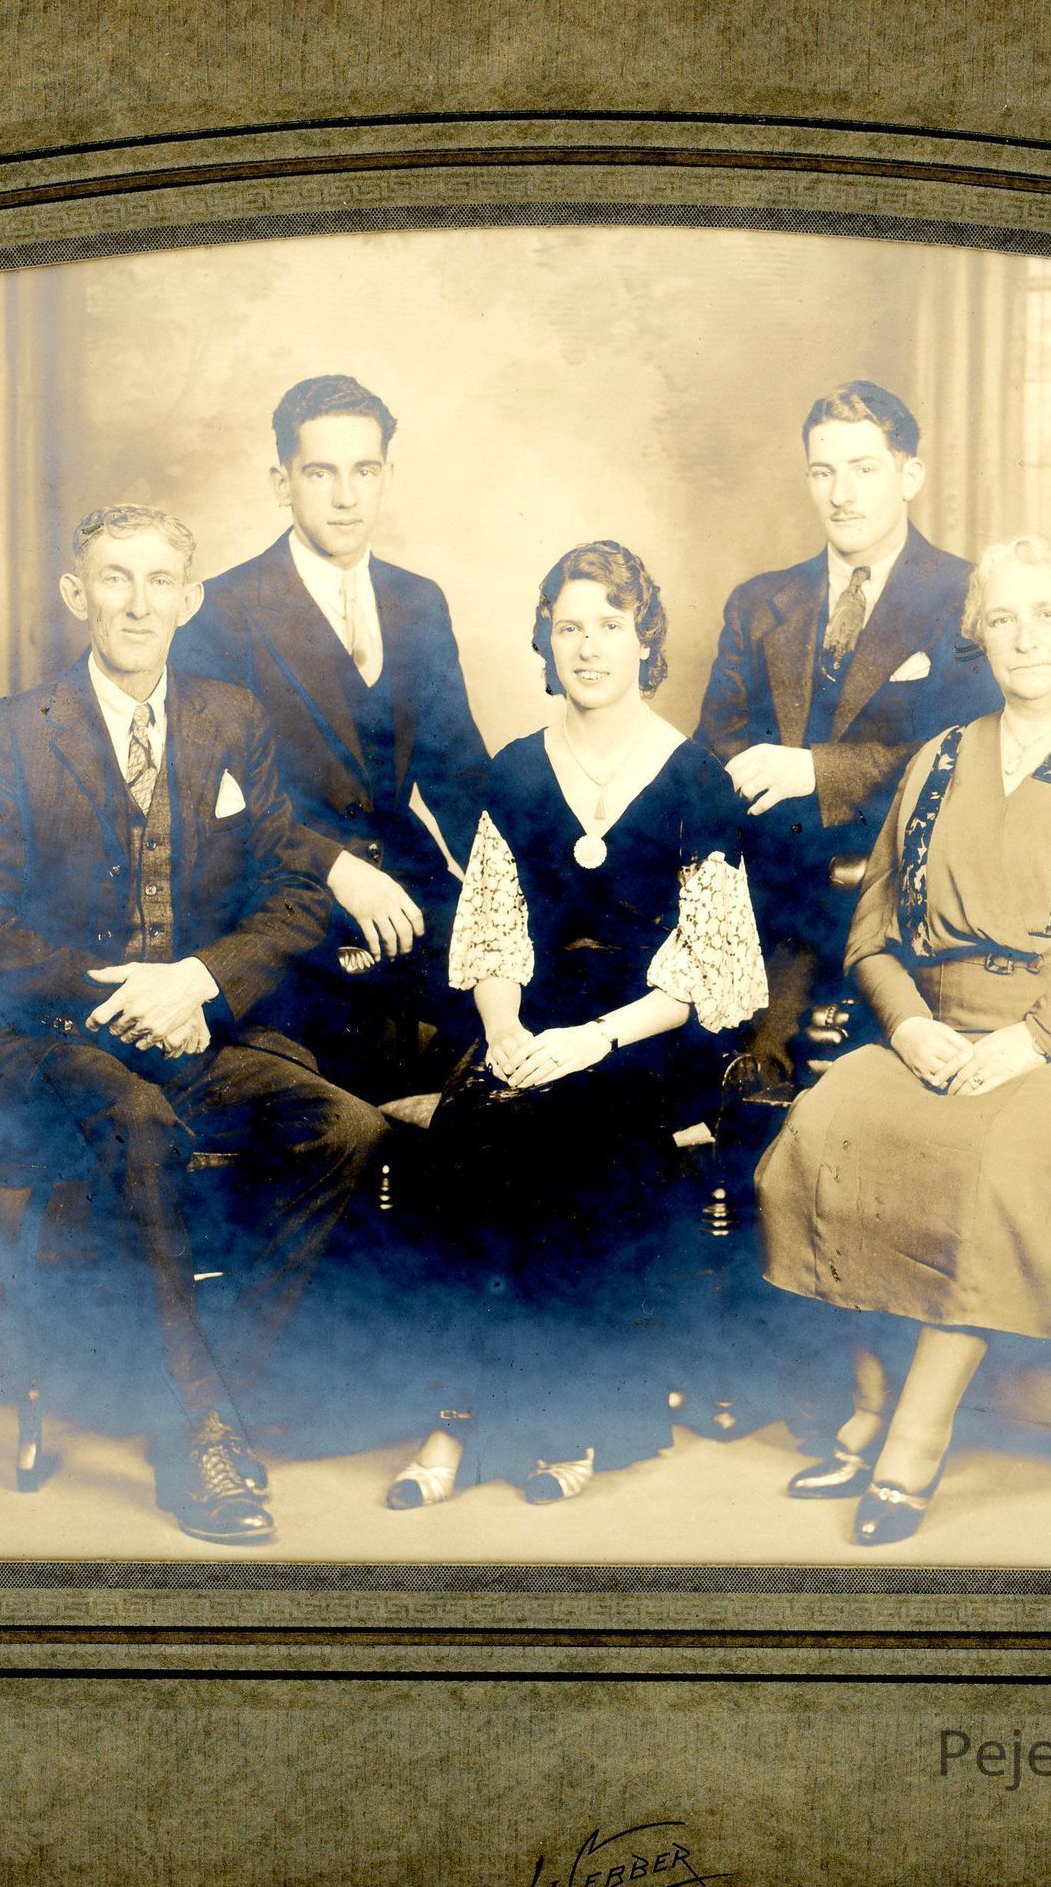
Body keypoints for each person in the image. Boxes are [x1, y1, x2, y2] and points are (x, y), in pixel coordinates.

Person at [0, 503, 389, 1546]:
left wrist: (196, 981)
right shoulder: (11, 730)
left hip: (193, 1026)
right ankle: (201, 1435)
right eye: (114, 578)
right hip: (52, 1038)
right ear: (76, 594)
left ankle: (207, 1386)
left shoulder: (232, 718)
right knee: (138, 1121)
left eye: (158, 582)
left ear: (191, 599)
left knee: (347, 1128)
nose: (137, 603)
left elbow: (294, 897)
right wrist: (123, 993)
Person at [754, 534, 1051, 1545]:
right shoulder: (941, 759)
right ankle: (870, 1401)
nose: (1025, 636)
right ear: (979, 638)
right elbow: (871, 933)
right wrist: (910, 1023)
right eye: (1002, 619)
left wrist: (1034, 1041)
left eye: (1049, 614)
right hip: (947, 1026)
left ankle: (916, 1434)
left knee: (986, 1151)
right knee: (827, 1127)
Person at [384, 540, 769, 1510]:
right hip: (536, 1015)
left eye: (610, 624)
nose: (589, 646)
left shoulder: (696, 779)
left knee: (567, 1133)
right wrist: (504, 1029)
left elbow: (706, 969)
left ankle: (569, 1415)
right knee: (470, 1126)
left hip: (653, 1031)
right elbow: (493, 927)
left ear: (645, 640)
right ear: (546, 643)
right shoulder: (517, 770)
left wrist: (593, 1040)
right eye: (569, 627)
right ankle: (455, 1413)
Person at [173, 375, 492, 1095]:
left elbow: (460, 777)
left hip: (411, 889)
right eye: (321, 473)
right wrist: (338, 868)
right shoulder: (222, 610)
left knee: (526, 1012)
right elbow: (210, 801)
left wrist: (524, 889)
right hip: (285, 900)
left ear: (387, 476)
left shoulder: (419, 601)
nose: (346, 496)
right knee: (342, 1092)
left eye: (364, 471)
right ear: (281, 482)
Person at [696, 379, 1002, 1075]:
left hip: (898, 900)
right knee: (722, 1076)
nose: (841, 494)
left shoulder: (968, 595)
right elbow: (715, 742)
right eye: (822, 472)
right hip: (769, 895)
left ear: (909, 476)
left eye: (864, 469)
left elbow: (965, 750)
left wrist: (815, 770)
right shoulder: (759, 602)